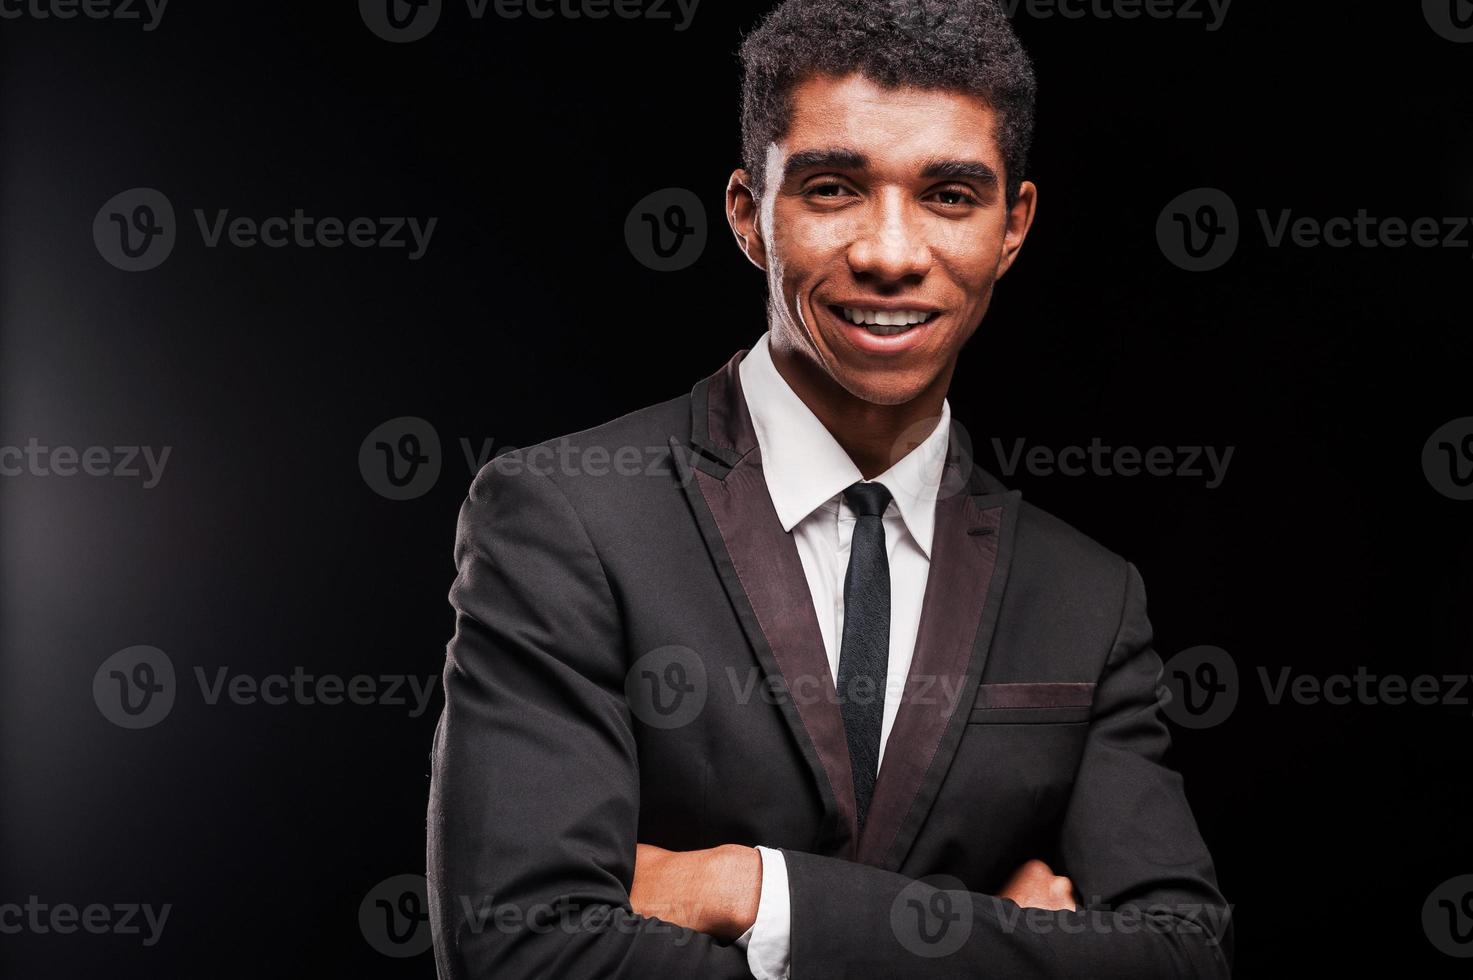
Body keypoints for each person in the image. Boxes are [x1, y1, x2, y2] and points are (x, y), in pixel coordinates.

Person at [427, 1, 1233, 976]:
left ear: (1012, 226)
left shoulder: (1090, 597)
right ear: (747, 214)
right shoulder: (564, 517)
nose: (890, 254)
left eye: (949, 195)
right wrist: (996, 938)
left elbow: (1183, 956)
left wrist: (755, 891)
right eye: (832, 188)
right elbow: (519, 952)